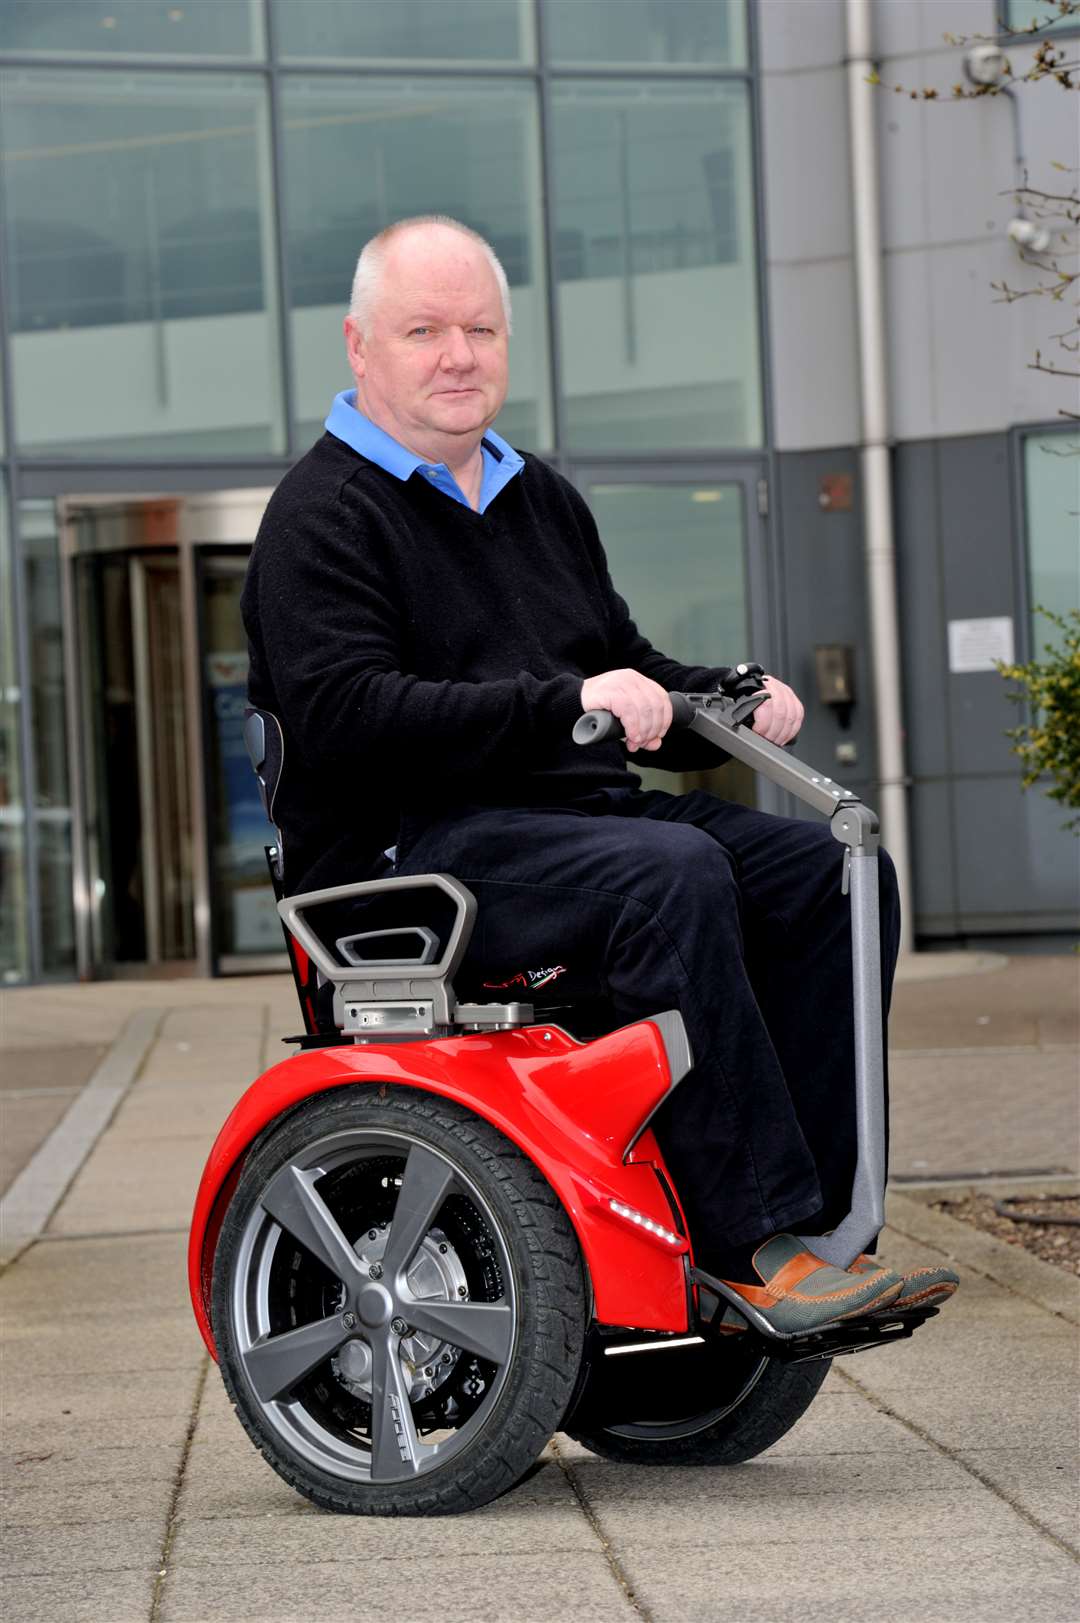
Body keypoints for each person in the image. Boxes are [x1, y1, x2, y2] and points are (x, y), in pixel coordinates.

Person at [242, 215, 957, 1334]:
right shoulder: (321, 516)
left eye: (479, 329)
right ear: (358, 346)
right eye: (423, 329)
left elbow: (621, 678)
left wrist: (724, 702)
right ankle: (748, 1241)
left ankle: (820, 1224)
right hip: (408, 850)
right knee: (665, 875)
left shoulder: (540, 499)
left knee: (833, 870)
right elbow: (346, 719)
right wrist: (565, 707)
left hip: (568, 826)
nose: (458, 355)